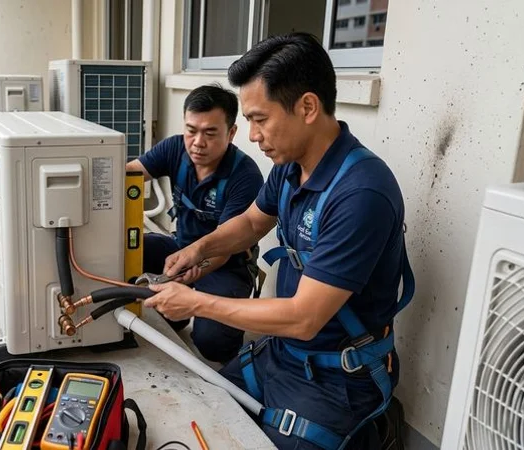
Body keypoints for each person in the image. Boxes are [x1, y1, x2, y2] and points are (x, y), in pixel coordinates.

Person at [143, 33, 414, 449]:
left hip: (335, 378)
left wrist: (194, 302)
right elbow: (252, 223)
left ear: (307, 107)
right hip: (282, 353)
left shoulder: (361, 194)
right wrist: (197, 249)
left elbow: (304, 318)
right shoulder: (290, 167)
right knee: (198, 405)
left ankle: (371, 432)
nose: (252, 136)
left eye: (259, 119)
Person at [126, 84, 264, 363]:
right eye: (191, 130)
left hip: (226, 265)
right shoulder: (174, 148)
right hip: (180, 247)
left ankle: (219, 332)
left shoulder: (245, 176)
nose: (197, 142)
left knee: (211, 343)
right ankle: (176, 316)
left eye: (210, 133)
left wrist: (191, 271)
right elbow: (130, 175)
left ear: (232, 132)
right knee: (128, 251)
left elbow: (225, 247)